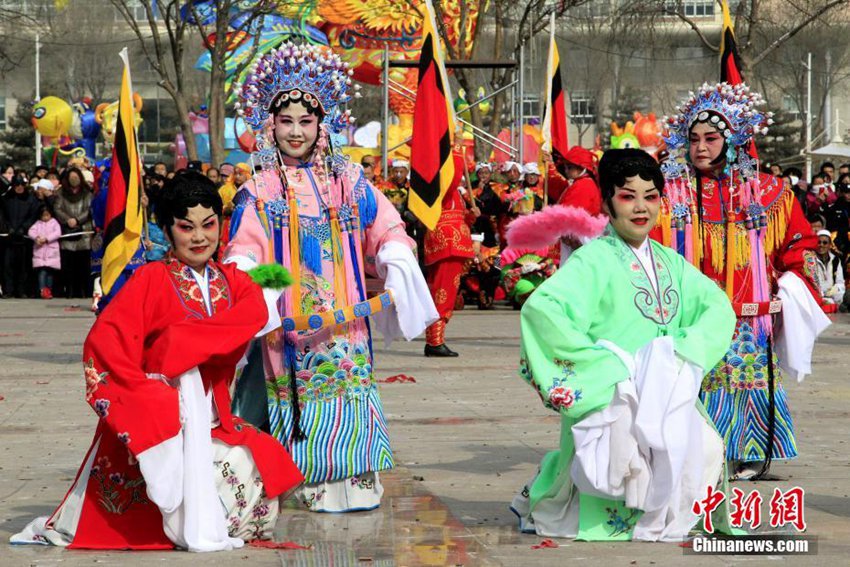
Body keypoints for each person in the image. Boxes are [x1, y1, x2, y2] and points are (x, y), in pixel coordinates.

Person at [11, 172, 303, 551]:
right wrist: (153, 392)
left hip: (214, 416)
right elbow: (105, 343)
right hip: (161, 418)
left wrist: (178, 344)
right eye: (186, 227)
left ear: (220, 224)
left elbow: (252, 314)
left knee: (258, 463)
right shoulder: (150, 279)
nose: (199, 237)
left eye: (208, 225)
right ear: (168, 230)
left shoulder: (232, 281)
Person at [225, 42, 437, 513]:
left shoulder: (346, 179)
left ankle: (354, 477)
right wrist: (259, 287)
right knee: (283, 396)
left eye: (306, 121)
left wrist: (396, 256)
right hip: (291, 324)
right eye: (286, 121)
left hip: (347, 323)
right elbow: (248, 247)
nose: (296, 131)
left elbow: (384, 225)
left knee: (348, 388)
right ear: (270, 124)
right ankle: (293, 476)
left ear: (323, 124)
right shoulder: (257, 188)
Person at [512, 149, 736, 541]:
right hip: (615, 393)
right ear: (606, 202)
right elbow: (541, 310)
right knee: (617, 455)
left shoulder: (671, 262)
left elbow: (717, 305)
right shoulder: (592, 260)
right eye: (627, 196)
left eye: (650, 197)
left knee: (706, 448)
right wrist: (607, 368)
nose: (640, 208)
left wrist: (681, 351)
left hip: (665, 390)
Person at [659, 82, 827, 480]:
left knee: (746, 378)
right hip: (692, 314)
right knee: (694, 379)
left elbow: (797, 244)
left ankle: (749, 452)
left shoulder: (767, 193)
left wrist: (797, 281)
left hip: (749, 318)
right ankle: (696, 451)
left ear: (732, 139)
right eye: (694, 138)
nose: (701, 147)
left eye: (711, 138)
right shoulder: (671, 193)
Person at [423, 149, 478, 357]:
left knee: (445, 293)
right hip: (447, 244)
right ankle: (435, 342)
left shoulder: (454, 191)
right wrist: (455, 148)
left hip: (452, 243)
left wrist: (471, 215)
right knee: (442, 294)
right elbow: (452, 177)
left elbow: (459, 216)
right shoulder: (440, 184)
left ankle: (436, 339)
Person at [53, 168, 94, 298]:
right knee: (68, 265)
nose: (74, 180)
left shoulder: (87, 192)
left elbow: (89, 209)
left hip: (84, 232)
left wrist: (77, 220)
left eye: (76, 177)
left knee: (83, 265)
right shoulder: (61, 193)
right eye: (71, 177)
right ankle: (69, 290)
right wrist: (68, 220)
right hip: (67, 231)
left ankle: (83, 290)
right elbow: (57, 208)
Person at [2, 176, 40, 297]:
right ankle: (8, 290)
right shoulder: (6, 199)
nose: (19, 187)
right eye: (16, 185)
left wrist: (24, 228)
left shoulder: (31, 199)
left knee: (24, 267)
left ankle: (22, 290)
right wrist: (8, 228)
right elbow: (2, 215)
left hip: (24, 238)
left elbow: (34, 215)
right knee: (7, 266)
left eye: (21, 185)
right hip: (9, 238)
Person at [28, 206, 62, 299]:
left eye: (47, 215)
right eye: (43, 216)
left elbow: (58, 233)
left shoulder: (54, 222)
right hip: (40, 252)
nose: (45, 218)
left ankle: (49, 290)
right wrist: (37, 238)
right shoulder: (37, 224)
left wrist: (47, 238)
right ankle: (42, 290)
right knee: (42, 272)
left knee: (50, 273)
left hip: (51, 252)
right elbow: (30, 231)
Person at [814, 229, 845, 305]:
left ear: (830, 245)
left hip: (832, 299)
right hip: (816, 299)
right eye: (819, 242)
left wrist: (830, 293)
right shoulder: (810, 260)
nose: (821, 245)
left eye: (825, 243)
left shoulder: (836, 260)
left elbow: (840, 283)